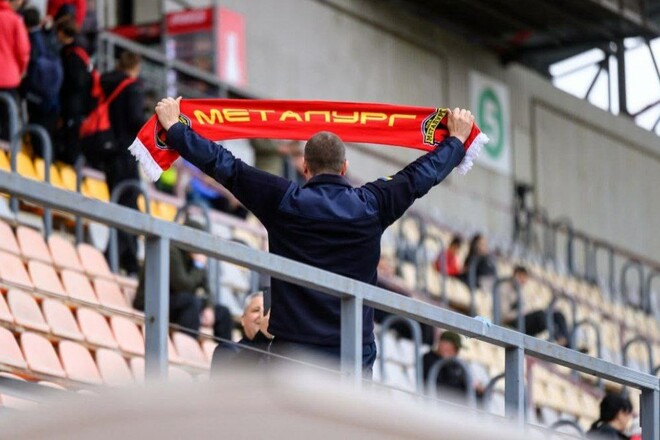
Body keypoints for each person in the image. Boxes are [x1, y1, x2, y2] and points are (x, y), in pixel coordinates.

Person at [154, 96, 475, 372]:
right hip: (352, 355)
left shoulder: (282, 201)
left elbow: (225, 166)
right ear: (344, 168)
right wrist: (456, 142)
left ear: (305, 168)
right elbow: (420, 176)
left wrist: (177, 130)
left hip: (293, 353)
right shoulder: (373, 205)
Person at [133, 219, 233, 342]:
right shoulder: (171, 250)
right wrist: (198, 266)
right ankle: (187, 348)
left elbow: (207, 289)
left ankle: (226, 353)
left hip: (175, 303)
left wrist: (209, 308)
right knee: (191, 302)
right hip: (151, 302)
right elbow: (183, 286)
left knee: (223, 312)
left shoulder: (193, 255)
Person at [97, 51, 145, 274]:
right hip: (125, 154)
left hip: (107, 151)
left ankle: (128, 259)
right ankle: (117, 259)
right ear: (135, 67)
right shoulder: (132, 87)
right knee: (128, 204)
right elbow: (135, 120)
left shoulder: (106, 83)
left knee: (123, 203)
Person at [21, 7, 62, 157]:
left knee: (37, 133)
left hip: (35, 94)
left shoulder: (31, 39)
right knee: (46, 135)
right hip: (52, 96)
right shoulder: (50, 38)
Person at [501, 265, 571, 347]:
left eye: (524, 278)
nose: (523, 280)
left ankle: (568, 345)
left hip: (524, 320)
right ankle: (558, 338)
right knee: (540, 315)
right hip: (513, 322)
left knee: (558, 315)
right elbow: (503, 315)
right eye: (521, 277)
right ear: (515, 275)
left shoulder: (521, 292)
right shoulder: (503, 289)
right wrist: (520, 313)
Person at [54, 16, 90, 164]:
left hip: (72, 106)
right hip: (76, 105)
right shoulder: (80, 50)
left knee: (70, 141)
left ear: (63, 33)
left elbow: (75, 83)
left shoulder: (72, 55)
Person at [211, 291, 273, 372]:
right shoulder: (225, 350)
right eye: (256, 310)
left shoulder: (278, 356)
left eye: (266, 312)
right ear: (243, 319)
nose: (262, 316)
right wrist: (263, 335)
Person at [0, 0, 30, 143]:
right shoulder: (15, 20)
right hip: (8, 78)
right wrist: (21, 70)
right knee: (8, 120)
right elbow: (23, 51)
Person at [422, 331, 484, 399]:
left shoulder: (452, 364)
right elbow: (444, 386)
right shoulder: (429, 359)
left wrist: (474, 387)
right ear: (443, 344)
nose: (457, 351)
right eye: (455, 347)